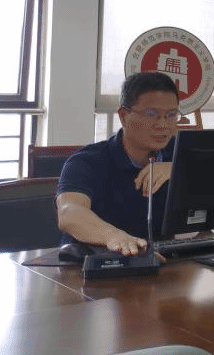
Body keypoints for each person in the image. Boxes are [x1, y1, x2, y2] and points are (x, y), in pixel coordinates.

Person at [56, 71, 180, 256]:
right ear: (123, 116)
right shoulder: (87, 161)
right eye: (151, 114)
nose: (163, 124)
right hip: (91, 266)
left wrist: (178, 169)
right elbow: (70, 213)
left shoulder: (177, 154)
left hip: (162, 264)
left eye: (171, 114)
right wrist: (114, 236)